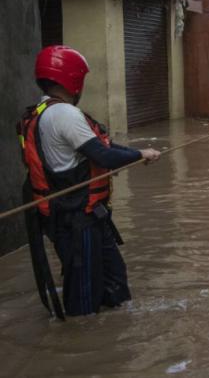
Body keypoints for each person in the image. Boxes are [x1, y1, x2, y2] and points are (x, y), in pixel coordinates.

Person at [18, 45, 161, 318]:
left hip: (88, 215)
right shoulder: (65, 115)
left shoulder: (42, 110)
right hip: (76, 219)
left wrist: (134, 155)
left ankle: (113, 336)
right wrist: (141, 154)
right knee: (84, 296)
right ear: (73, 80)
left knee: (114, 279)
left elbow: (100, 148)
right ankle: (79, 346)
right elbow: (103, 156)